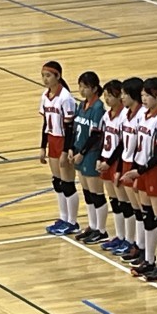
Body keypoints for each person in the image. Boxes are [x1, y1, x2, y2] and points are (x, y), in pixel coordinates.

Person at [120, 77, 157, 282]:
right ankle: (149, 260)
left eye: (147, 95)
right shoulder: (144, 115)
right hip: (143, 171)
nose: (143, 99)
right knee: (148, 217)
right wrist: (136, 170)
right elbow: (138, 146)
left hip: (155, 172)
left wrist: (139, 171)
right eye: (142, 95)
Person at [65, 71, 108, 242]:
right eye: (80, 86)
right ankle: (93, 225)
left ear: (95, 88)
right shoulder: (81, 105)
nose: (82, 90)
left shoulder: (98, 108)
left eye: (85, 87)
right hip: (79, 152)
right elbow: (75, 129)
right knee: (87, 193)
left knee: (97, 193)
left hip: (90, 154)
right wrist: (71, 148)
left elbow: (96, 135)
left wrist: (82, 153)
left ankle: (102, 230)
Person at [38, 61, 78, 234]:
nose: (45, 79)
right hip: (52, 139)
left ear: (58, 76)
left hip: (63, 141)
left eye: (48, 76)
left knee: (67, 183)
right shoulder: (45, 96)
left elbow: (70, 127)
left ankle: (72, 222)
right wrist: (42, 146)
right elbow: (45, 123)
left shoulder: (65, 98)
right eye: (43, 76)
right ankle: (63, 217)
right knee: (57, 182)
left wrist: (65, 151)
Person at [97, 80, 130, 252]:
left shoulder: (124, 116)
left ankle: (129, 240)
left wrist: (110, 163)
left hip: (117, 162)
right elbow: (103, 139)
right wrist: (99, 158)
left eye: (110, 95)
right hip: (106, 161)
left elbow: (123, 144)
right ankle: (120, 235)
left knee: (124, 203)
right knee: (115, 202)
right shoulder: (106, 115)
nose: (107, 99)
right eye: (105, 96)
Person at [116, 78, 146, 262]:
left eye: (124, 94)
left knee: (142, 210)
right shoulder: (125, 114)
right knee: (135, 209)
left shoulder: (141, 115)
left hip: (136, 165)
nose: (122, 97)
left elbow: (140, 146)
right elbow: (122, 144)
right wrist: (119, 168)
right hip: (126, 162)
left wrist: (135, 170)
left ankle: (143, 248)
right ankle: (137, 244)